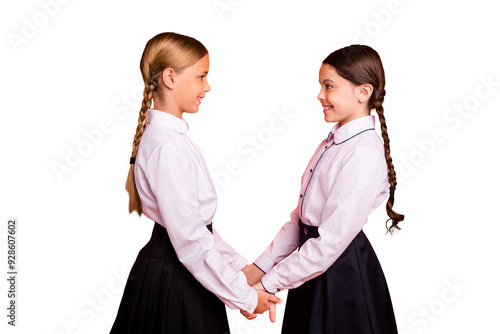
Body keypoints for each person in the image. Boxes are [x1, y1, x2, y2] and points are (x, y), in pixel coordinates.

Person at [110, 32, 280, 334]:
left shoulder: (172, 140)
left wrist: (240, 271)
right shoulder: (167, 147)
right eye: (201, 76)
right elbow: (190, 240)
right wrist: (244, 297)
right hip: (175, 283)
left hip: (181, 275)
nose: (207, 86)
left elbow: (200, 232)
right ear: (170, 77)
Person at [242, 44, 404, 333]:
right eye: (321, 86)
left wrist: (267, 284)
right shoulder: (333, 142)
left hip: (342, 278)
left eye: (328, 86)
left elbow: (329, 242)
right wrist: (259, 268)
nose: (320, 95)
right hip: (310, 270)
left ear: (363, 92)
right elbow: (301, 221)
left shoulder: (363, 152)